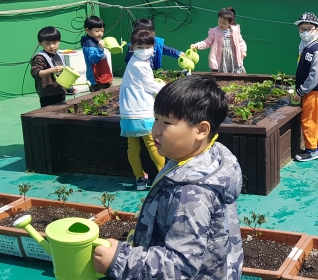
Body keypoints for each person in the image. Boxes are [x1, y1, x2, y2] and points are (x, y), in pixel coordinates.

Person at [94, 76, 244, 279]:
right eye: (155, 119)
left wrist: (121, 259)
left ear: (201, 130)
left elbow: (181, 265)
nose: (155, 130)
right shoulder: (207, 155)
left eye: (166, 122)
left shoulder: (191, 194)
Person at [120, 29, 166, 191]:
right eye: (140, 46)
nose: (144, 49)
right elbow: (149, 85)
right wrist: (164, 88)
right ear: (132, 47)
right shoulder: (141, 65)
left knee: (133, 147)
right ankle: (162, 177)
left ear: (153, 46)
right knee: (154, 145)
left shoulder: (133, 61)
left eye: (147, 46)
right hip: (142, 112)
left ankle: (139, 179)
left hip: (128, 113)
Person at [293, 12, 318, 162]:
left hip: (313, 91)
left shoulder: (316, 51)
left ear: (317, 30)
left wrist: (301, 91)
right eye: (302, 29)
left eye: (309, 28)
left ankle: (311, 150)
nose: (305, 32)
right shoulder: (305, 48)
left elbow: (314, 76)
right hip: (314, 91)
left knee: (308, 120)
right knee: (317, 118)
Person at [190, 7, 247, 73]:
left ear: (230, 23)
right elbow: (207, 42)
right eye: (219, 21)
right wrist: (197, 45)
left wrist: (243, 51)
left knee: (235, 73)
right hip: (220, 59)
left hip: (233, 58)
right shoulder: (214, 31)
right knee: (219, 74)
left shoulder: (235, 30)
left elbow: (241, 41)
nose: (221, 24)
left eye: (224, 23)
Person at [31, 26, 71, 107]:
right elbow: (35, 73)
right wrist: (51, 70)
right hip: (47, 94)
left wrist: (69, 88)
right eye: (48, 43)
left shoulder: (60, 55)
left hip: (60, 91)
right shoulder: (40, 57)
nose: (52, 46)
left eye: (55, 43)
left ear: (59, 41)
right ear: (40, 43)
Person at [81, 16, 113, 92]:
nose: (100, 34)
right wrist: (100, 48)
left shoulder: (97, 41)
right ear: (87, 30)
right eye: (97, 31)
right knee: (100, 101)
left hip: (105, 77)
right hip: (97, 80)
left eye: (102, 31)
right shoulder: (88, 44)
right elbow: (93, 59)